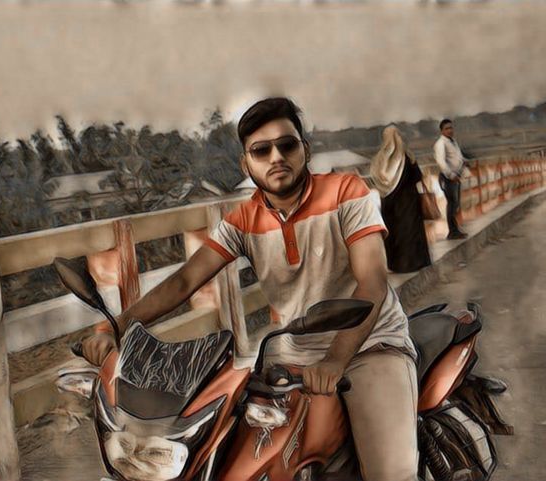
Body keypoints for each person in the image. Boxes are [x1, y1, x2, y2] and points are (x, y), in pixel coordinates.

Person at [83, 98, 419, 481]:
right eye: (261, 150)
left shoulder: (346, 191)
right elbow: (184, 281)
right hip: (290, 354)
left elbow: (372, 280)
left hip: (369, 345)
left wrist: (335, 359)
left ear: (305, 150)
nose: (276, 157)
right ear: (246, 164)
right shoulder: (243, 220)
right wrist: (114, 326)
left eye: (287, 145)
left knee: (391, 474)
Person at [371, 125, 431, 273]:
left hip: (389, 203)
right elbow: (417, 176)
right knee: (410, 233)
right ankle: (412, 264)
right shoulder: (406, 157)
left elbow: (375, 178)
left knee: (394, 234)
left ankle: (395, 265)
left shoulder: (380, 159)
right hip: (408, 202)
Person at [434, 119, 468, 239]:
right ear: (442, 131)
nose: (450, 130)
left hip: (456, 176)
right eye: (447, 128)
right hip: (448, 178)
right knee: (452, 204)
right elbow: (441, 162)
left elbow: (457, 156)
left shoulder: (452, 141)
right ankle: (452, 232)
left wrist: (463, 162)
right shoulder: (440, 143)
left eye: (451, 128)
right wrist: (451, 175)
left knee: (455, 204)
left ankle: (455, 230)